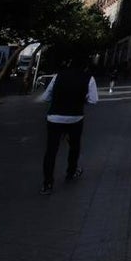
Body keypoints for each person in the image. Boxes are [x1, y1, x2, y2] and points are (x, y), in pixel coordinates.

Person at [39, 52, 98, 195]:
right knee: (74, 145)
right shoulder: (88, 78)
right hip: (75, 118)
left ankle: (47, 183)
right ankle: (71, 171)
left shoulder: (58, 76)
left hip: (54, 117)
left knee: (51, 151)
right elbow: (93, 100)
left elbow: (45, 97)